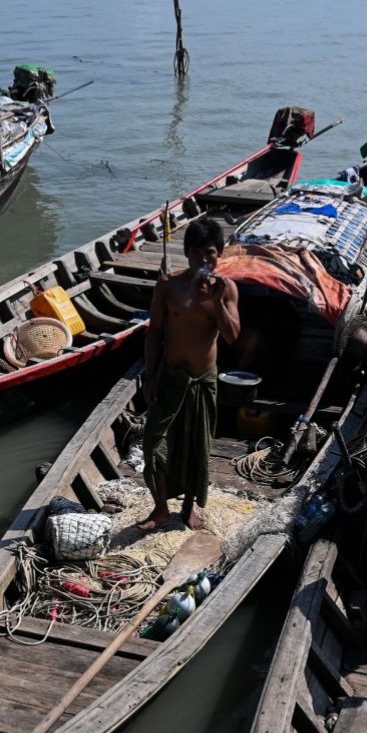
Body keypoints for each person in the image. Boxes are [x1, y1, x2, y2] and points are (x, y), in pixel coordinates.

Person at [140, 220, 240, 531]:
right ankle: (160, 509)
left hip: (202, 381)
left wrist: (218, 302)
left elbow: (232, 336)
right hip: (171, 378)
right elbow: (155, 333)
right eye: (196, 254)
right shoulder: (168, 286)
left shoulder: (227, 290)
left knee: (197, 446)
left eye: (209, 253)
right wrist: (150, 376)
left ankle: (188, 509)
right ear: (188, 255)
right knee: (153, 442)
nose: (203, 260)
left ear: (219, 254)